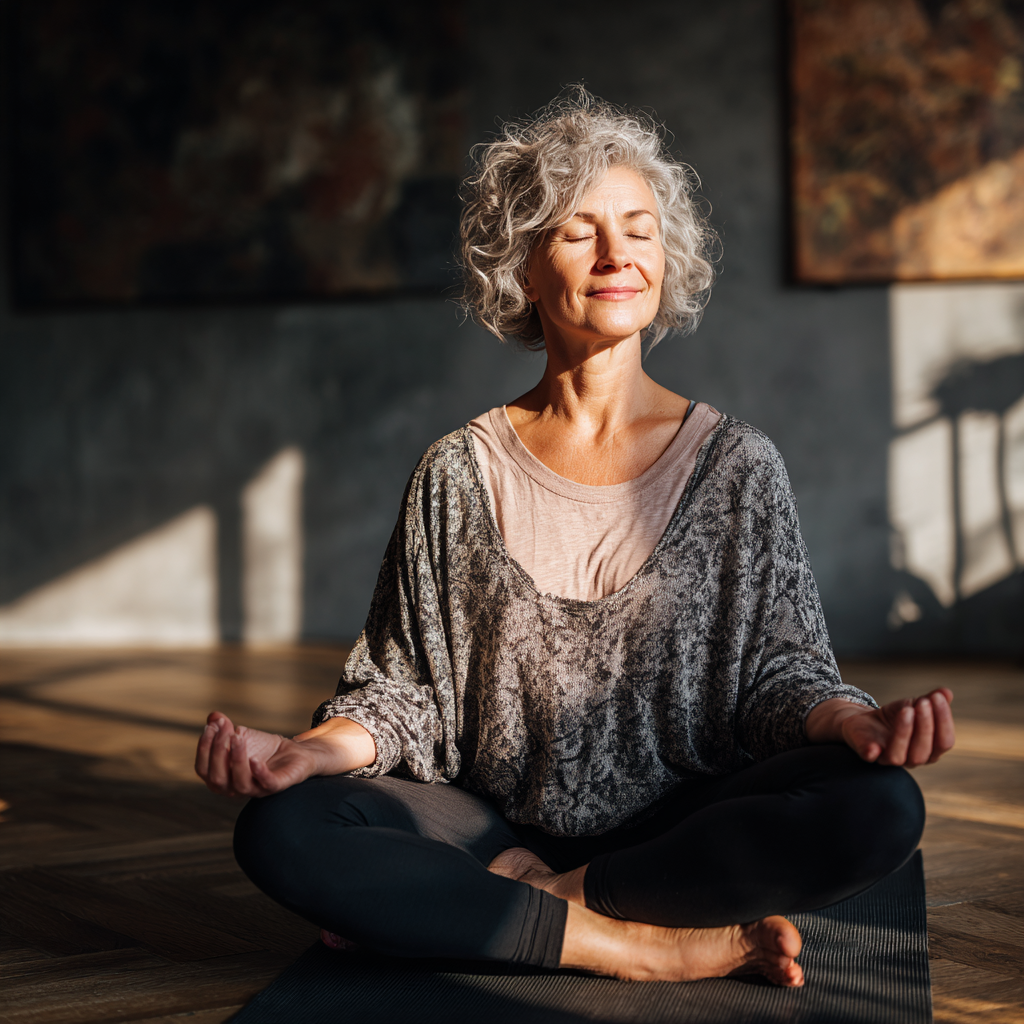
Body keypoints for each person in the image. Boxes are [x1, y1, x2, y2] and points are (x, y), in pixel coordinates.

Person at [195, 91, 954, 987]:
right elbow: (404, 696)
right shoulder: (456, 471)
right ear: (520, 266)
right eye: (578, 231)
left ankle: (521, 906)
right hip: (490, 826)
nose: (617, 254)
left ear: (666, 259)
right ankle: (636, 944)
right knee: (282, 829)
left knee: (877, 808)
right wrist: (304, 753)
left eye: (638, 229)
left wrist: (855, 723)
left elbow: (781, 676)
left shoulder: (740, 464)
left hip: (681, 827)